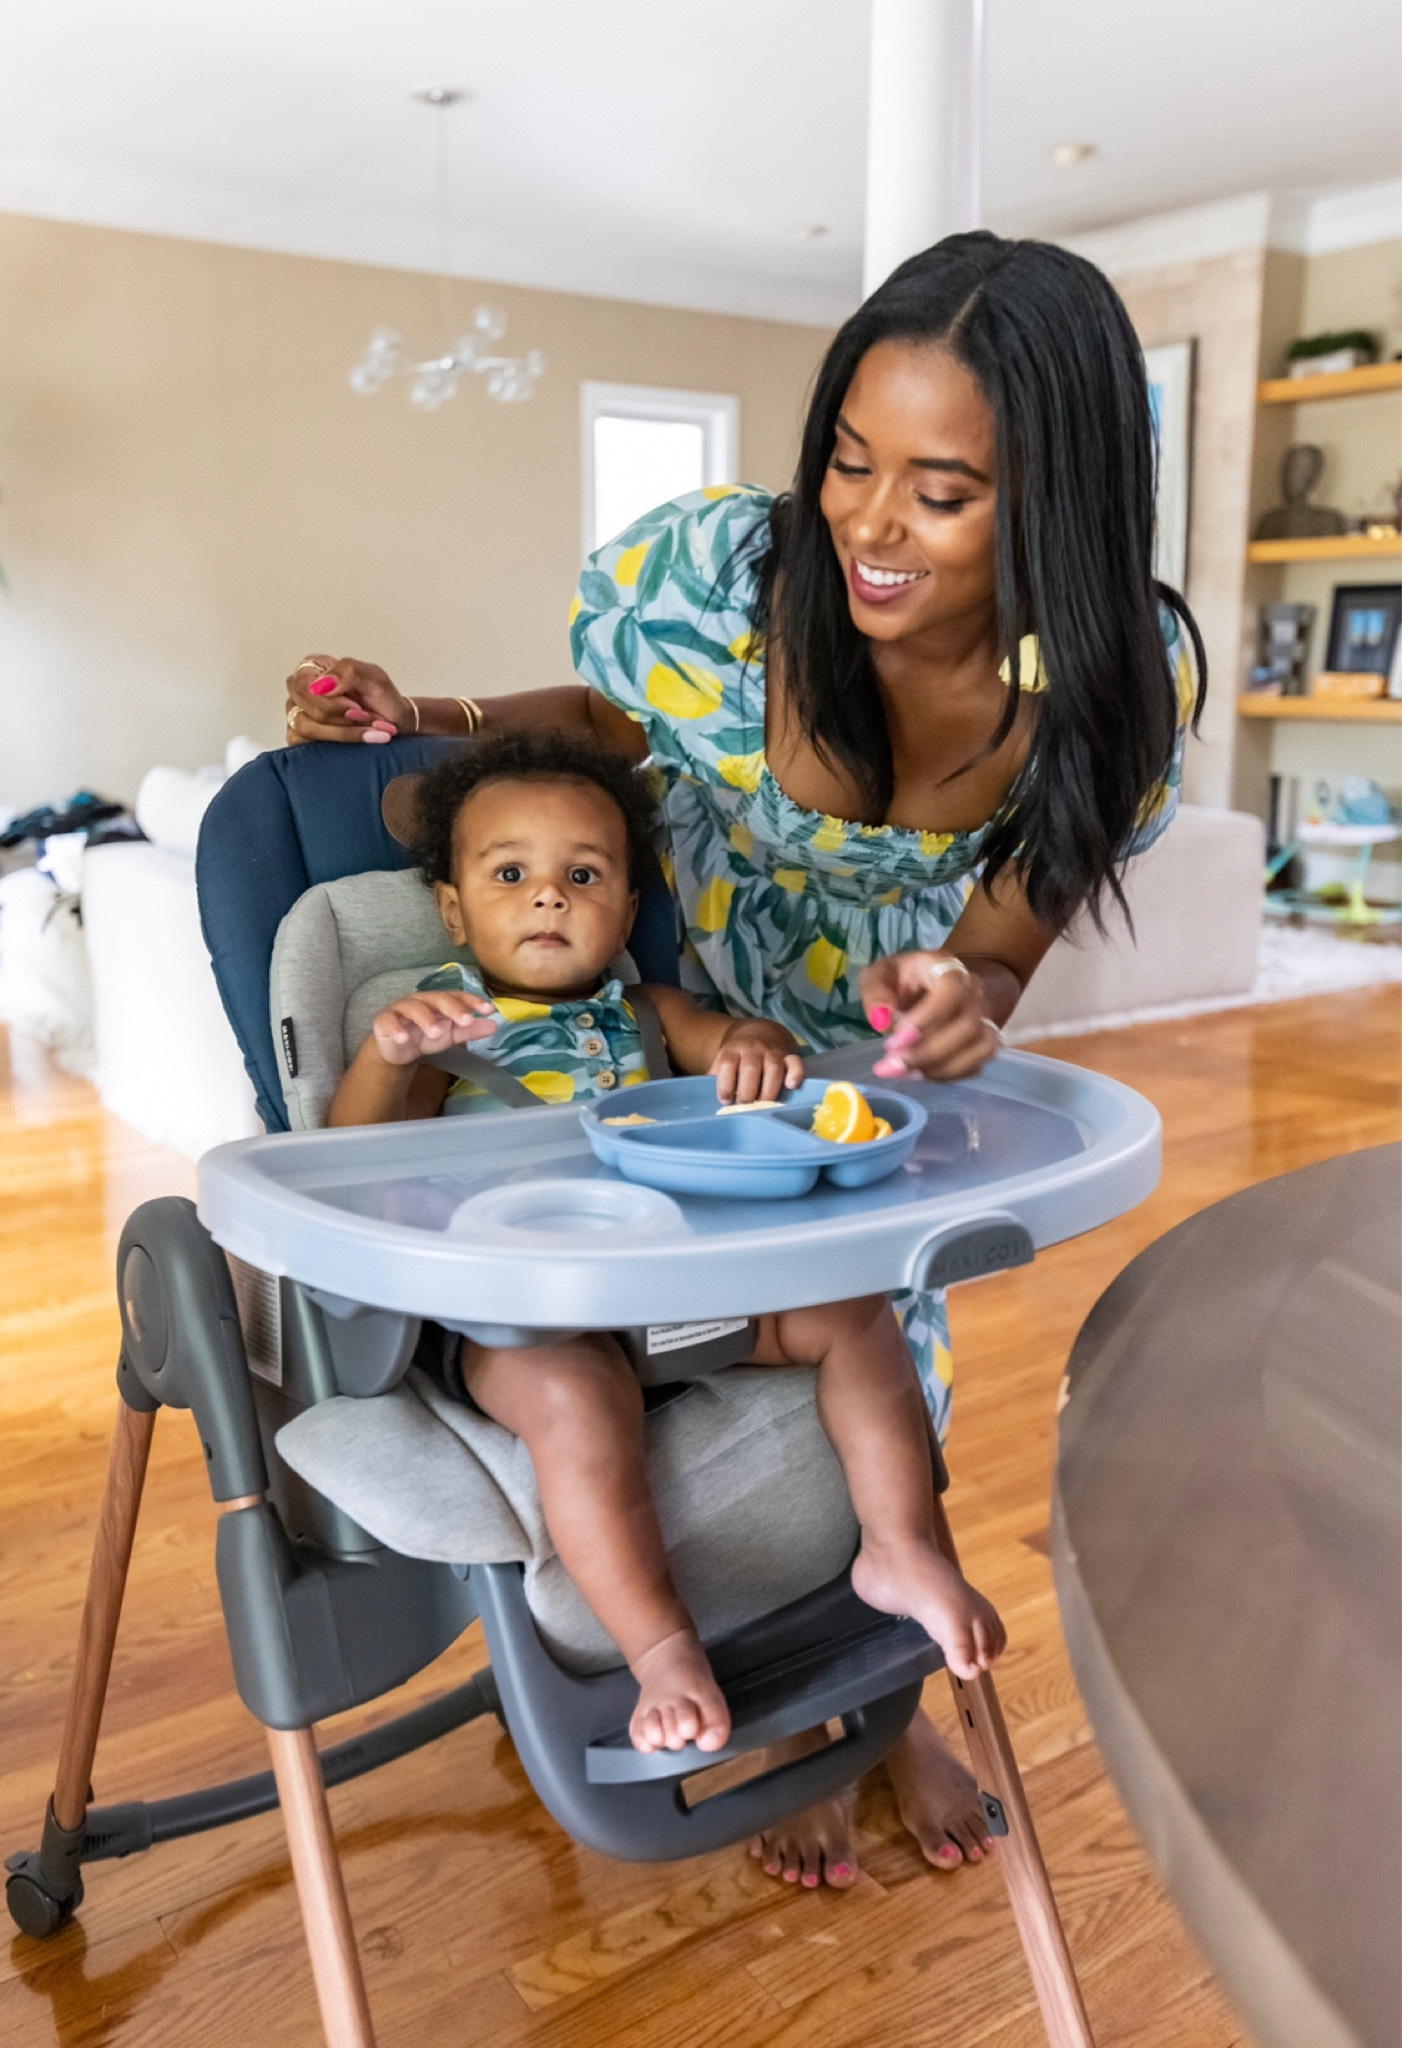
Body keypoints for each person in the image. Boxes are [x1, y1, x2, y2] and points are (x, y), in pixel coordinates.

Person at [284, 230, 1205, 1883]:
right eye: (850, 459)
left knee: (885, 1326)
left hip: (868, 1052)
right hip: (684, 1009)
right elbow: (614, 719)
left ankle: (880, 1689)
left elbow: (1013, 924)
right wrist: (429, 707)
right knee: (681, 1335)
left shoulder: (1104, 675)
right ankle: (759, 1687)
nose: (866, 522)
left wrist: (975, 991)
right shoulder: (721, 578)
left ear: (1056, 503)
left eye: (940, 490)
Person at [329, 731, 1006, 1755]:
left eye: (583, 874)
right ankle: (659, 1647)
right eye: (510, 873)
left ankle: (898, 1546)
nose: (548, 896)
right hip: (524, 1321)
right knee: (573, 1397)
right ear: (454, 908)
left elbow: (743, 1046)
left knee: (850, 1312)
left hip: (668, 1301)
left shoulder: (646, 1010)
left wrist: (751, 1050)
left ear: (628, 910)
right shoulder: (446, 1024)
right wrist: (391, 1054)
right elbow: (348, 1160)